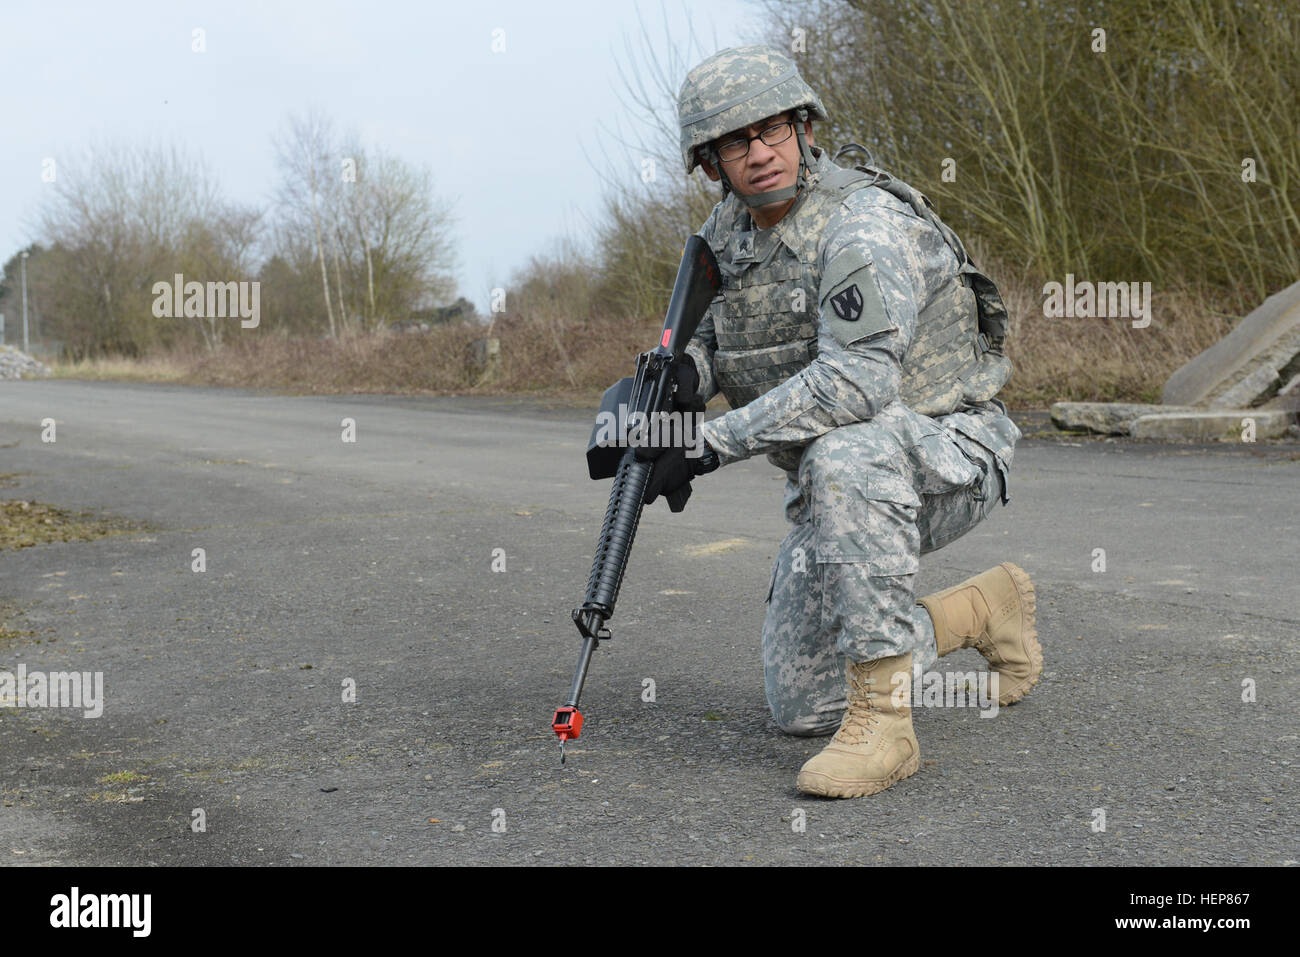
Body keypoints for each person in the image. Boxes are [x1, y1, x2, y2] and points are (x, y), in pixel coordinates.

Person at [641, 45, 1043, 799]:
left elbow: (856, 384)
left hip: (946, 451)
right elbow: (710, 342)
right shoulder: (726, 233)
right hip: (841, 492)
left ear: (803, 125)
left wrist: (705, 447)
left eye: (773, 130)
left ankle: (887, 729)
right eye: (736, 142)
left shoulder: (860, 224)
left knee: (844, 453)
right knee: (802, 705)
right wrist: (671, 391)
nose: (760, 154)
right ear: (710, 163)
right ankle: (980, 610)